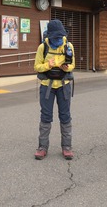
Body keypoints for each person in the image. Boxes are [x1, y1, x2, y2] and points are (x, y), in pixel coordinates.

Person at [33, 19, 75, 160]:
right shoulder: (42, 47)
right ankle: (42, 147)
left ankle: (67, 147)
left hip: (64, 85)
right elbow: (37, 66)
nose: (58, 39)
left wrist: (67, 67)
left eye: (60, 36)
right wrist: (47, 66)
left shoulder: (68, 46)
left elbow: (72, 64)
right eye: (55, 37)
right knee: (45, 116)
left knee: (65, 115)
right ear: (49, 35)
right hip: (47, 85)